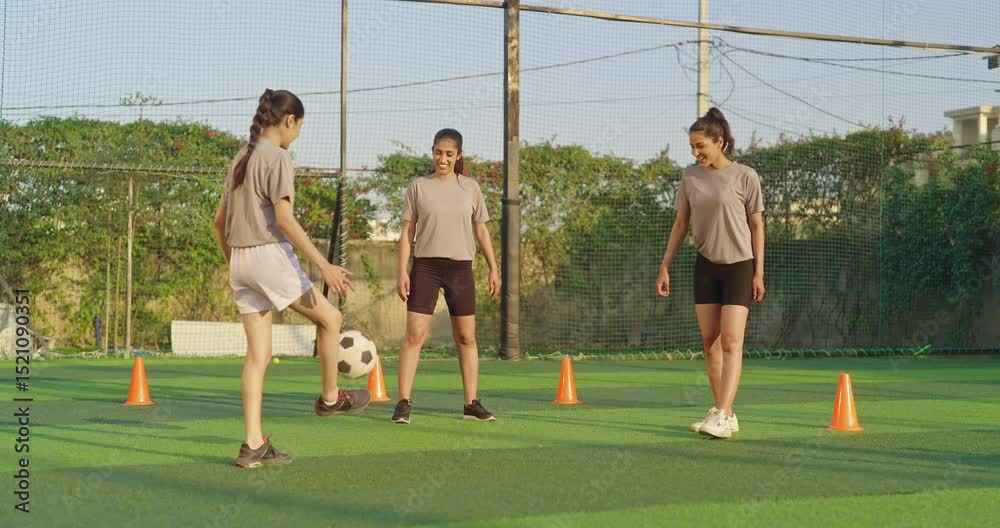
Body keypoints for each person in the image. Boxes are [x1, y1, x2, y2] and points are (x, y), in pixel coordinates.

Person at [212, 89, 371, 468]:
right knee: (331, 319)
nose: (298, 134)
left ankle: (253, 445)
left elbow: (218, 223)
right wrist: (324, 265)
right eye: (299, 126)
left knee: (258, 357)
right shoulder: (278, 157)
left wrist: (237, 267)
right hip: (268, 255)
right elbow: (284, 220)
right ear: (289, 121)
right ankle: (330, 398)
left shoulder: (242, 156)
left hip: (240, 261)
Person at [655, 107, 766, 439]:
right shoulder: (690, 178)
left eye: (700, 146)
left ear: (719, 142)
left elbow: (757, 227)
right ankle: (725, 412)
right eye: (691, 147)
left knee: (732, 341)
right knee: (710, 343)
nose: (695, 152)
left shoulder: (745, 176)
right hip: (705, 266)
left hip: (739, 266)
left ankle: (721, 414)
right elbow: (680, 224)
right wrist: (665, 266)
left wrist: (758, 272)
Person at [392, 128, 501, 424]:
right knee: (415, 335)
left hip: (460, 268)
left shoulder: (471, 188)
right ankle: (403, 402)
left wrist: (494, 268)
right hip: (425, 267)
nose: (443, 159)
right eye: (438, 152)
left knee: (466, 337)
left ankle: (471, 404)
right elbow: (407, 233)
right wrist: (402, 271)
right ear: (432, 152)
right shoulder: (419, 186)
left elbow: (481, 230)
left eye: (449, 154)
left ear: (458, 155)